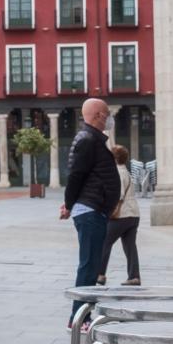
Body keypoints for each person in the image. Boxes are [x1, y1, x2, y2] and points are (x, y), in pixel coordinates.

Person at [60, 98, 121, 321]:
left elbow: (83, 177)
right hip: (90, 210)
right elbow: (76, 176)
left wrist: (70, 203)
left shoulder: (92, 139)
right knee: (88, 266)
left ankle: (82, 315)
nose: (110, 117)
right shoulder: (87, 139)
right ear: (99, 116)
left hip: (94, 209)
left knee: (92, 265)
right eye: (107, 113)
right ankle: (78, 318)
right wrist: (68, 204)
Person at [97, 144, 141, 286]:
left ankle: (100, 274)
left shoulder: (117, 173)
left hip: (121, 215)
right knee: (130, 246)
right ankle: (134, 276)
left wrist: (108, 211)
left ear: (113, 158)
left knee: (104, 242)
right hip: (133, 214)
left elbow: (118, 195)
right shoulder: (126, 172)